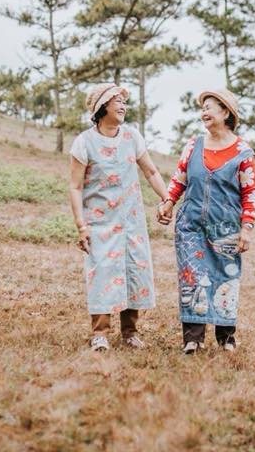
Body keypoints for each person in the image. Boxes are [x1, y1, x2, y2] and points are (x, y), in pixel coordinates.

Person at [68, 83, 171, 352]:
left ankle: (130, 332)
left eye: (124, 102)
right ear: (102, 107)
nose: (123, 106)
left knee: (133, 270)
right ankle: (100, 333)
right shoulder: (84, 143)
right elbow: (75, 187)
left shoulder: (132, 137)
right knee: (102, 273)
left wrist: (166, 198)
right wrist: (81, 225)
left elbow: (150, 172)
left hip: (131, 221)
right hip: (100, 223)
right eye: (117, 102)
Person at [157, 88, 255, 353]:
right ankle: (193, 338)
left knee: (225, 277)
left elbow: (250, 193)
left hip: (226, 227)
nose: (204, 112)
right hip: (191, 224)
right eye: (202, 108)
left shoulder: (243, 153)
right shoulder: (193, 145)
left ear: (225, 112)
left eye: (209, 107)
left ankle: (226, 337)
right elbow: (179, 178)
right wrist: (168, 202)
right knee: (193, 277)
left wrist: (246, 228)